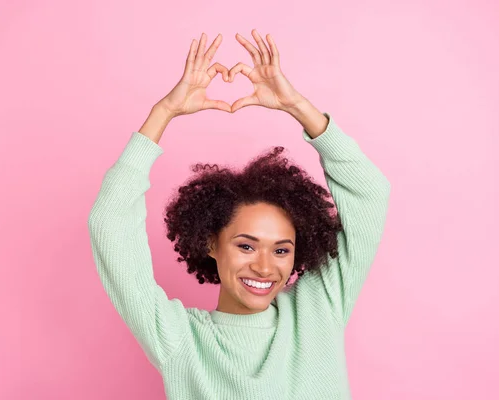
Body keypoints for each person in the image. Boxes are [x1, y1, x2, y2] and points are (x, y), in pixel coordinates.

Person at [88, 30, 391, 399]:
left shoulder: (319, 308)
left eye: (281, 250)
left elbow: (370, 195)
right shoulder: (179, 339)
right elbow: (109, 223)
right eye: (247, 246)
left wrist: (297, 107)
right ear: (211, 243)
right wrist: (163, 112)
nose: (265, 267)